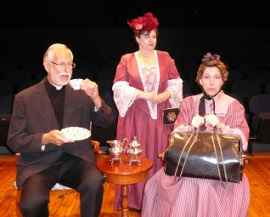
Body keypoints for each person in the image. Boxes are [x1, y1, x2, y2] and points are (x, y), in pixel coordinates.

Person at [7, 43, 113, 217]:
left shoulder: (81, 93)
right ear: (47, 65)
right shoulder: (25, 98)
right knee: (31, 203)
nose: (67, 69)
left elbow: (106, 122)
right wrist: (45, 139)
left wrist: (96, 98)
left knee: (94, 183)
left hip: (75, 159)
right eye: (61, 64)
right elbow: (14, 140)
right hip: (38, 163)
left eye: (70, 64)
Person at [141, 53, 250, 217]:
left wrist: (221, 126)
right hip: (189, 165)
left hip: (222, 169)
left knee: (204, 186)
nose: (212, 82)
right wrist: (190, 126)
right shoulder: (188, 102)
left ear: (223, 80)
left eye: (216, 77)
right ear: (199, 80)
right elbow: (174, 138)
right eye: (207, 77)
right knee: (154, 184)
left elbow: (243, 142)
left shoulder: (234, 106)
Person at [112, 12, 183, 210]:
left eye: (154, 36)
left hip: (161, 115)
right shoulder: (127, 59)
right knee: (138, 154)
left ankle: (161, 201)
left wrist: (164, 95)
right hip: (137, 116)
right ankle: (135, 200)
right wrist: (144, 95)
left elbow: (176, 83)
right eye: (146, 36)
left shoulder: (165, 57)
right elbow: (119, 88)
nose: (151, 40)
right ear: (137, 38)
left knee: (160, 153)